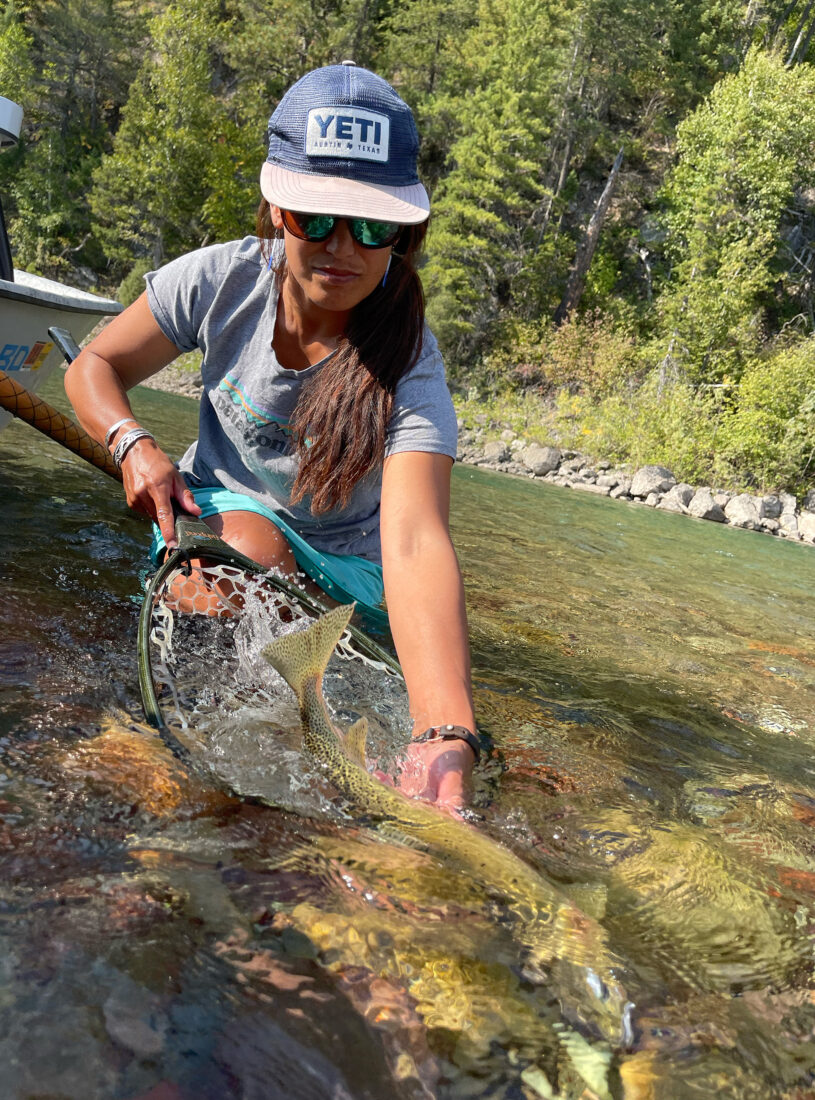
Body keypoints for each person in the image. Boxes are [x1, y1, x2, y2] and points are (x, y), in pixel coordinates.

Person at [65, 62, 477, 809]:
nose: (340, 248)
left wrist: (446, 732)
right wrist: (133, 442)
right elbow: (95, 365)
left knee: (290, 602)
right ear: (274, 207)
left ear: (404, 235)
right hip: (227, 526)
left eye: (373, 225)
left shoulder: (410, 359)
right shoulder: (222, 281)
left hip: (348, 576)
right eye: (314, 217)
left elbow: (415, 541)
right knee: (244, 554)